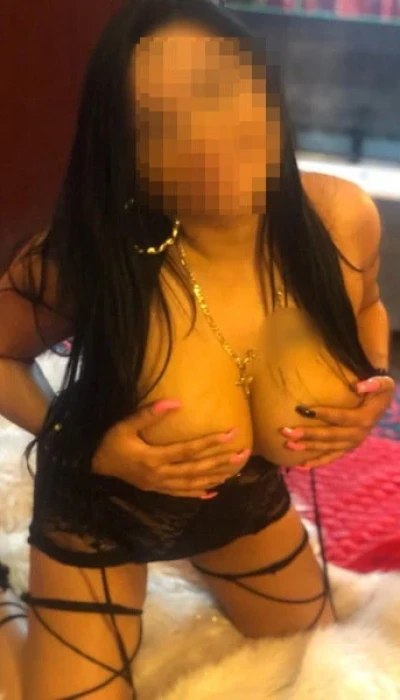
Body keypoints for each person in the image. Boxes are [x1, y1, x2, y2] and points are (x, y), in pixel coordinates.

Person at [0, 0, 394, 698]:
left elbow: (366, 306)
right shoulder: (85, 256)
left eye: (216, 89)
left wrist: (369, 384)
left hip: (242, 499)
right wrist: (80, 444)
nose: (204, 139)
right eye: (157, 126)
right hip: (101, 510)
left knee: (312, 652)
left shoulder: (339, 219)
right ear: (128, 158)